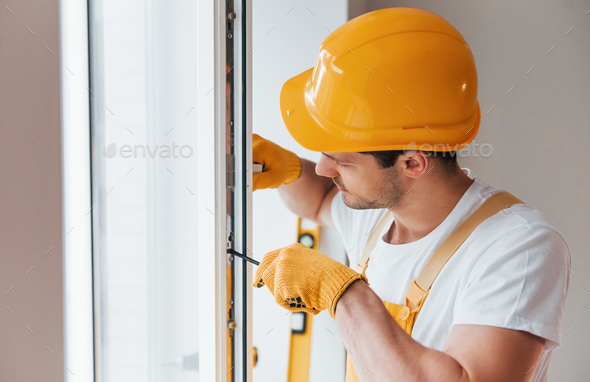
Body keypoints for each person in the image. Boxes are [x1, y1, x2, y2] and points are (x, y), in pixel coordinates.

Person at [252, 7, 570, 382]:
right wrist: (287, 169)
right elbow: (320, 198)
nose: (323, 168)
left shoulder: (518, 247)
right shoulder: (380, 211)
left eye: (340, 160)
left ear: (413, 163)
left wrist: (344, 295)